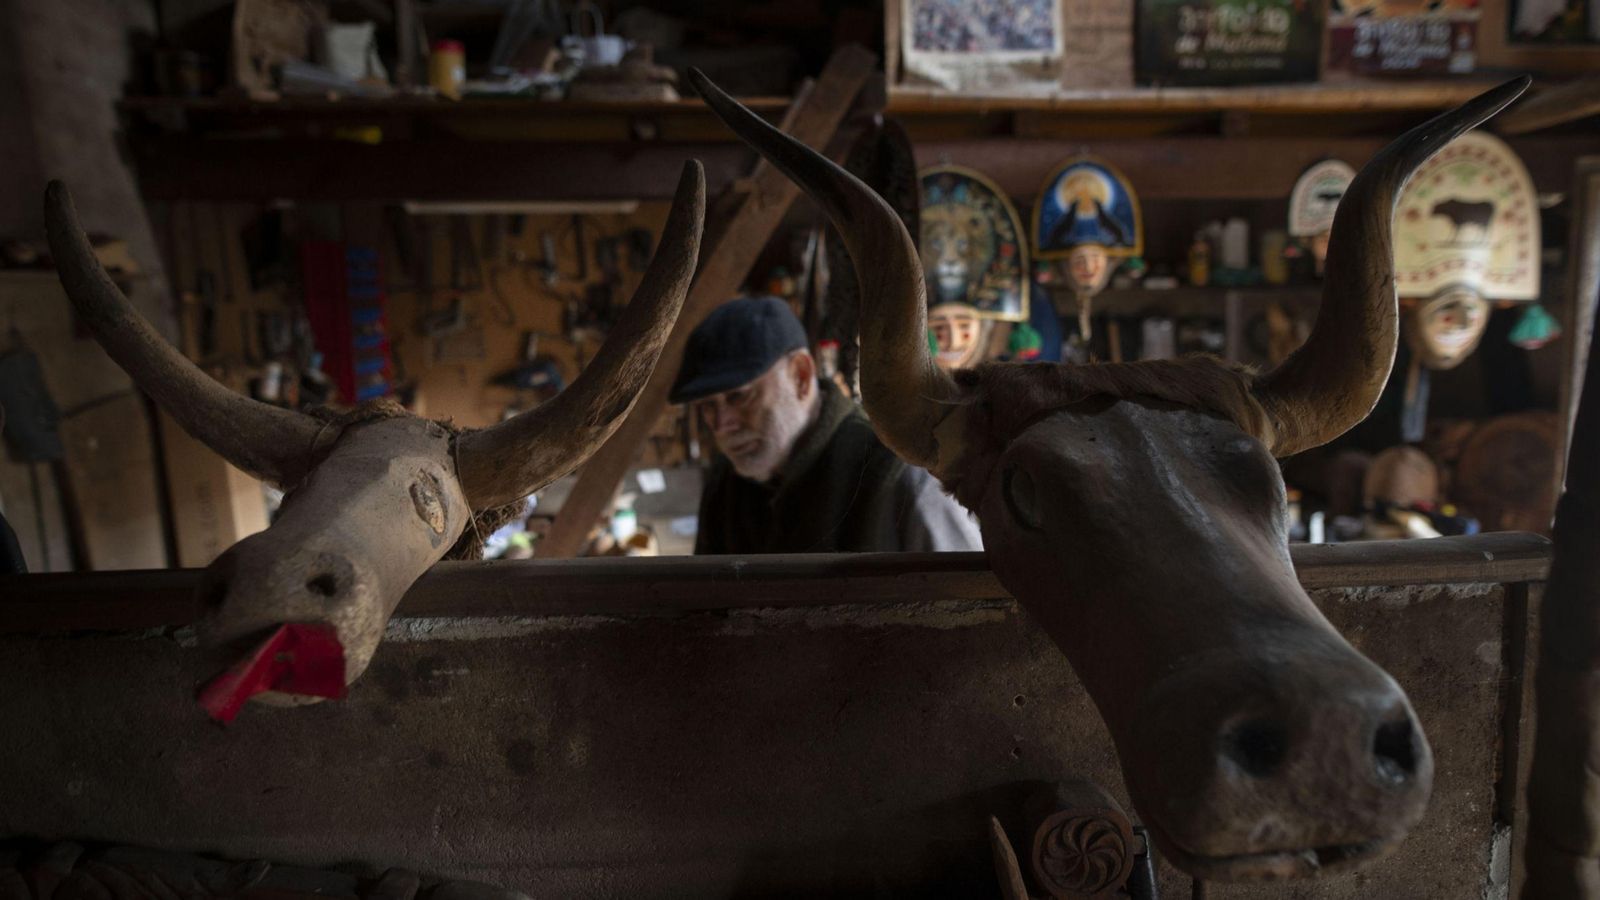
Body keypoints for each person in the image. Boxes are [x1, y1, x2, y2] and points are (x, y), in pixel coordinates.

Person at [671, 296, 982, 554]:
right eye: (707, 406)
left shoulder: (902, 478)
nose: (721, 424)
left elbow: (972, 613)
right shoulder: (724, 485)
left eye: (739, 396)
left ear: (801, 376)